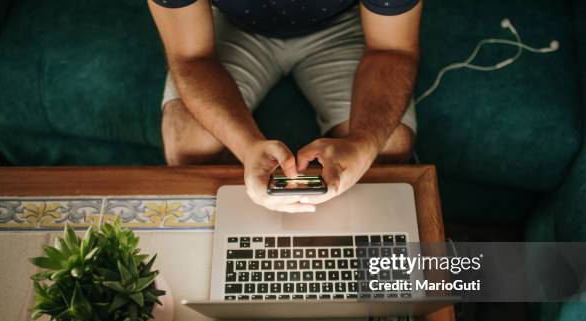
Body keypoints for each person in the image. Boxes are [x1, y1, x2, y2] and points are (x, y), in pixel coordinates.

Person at [148, 0, 421, 213]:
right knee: (189, 144)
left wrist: (363, 145)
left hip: (341, 24)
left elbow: (391, 49)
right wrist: (246, 146)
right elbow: (191, 55)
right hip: (228, 23)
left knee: (388, 148)